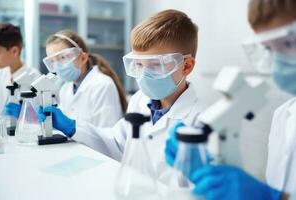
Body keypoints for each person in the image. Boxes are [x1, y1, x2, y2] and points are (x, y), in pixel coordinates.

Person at [38, 9, 205, 182]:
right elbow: (117, 143)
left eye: (155, 65)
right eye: (138, 64)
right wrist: (73, 127)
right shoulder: (140, 100)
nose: (143, 75)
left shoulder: (200, 122)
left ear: (186, 66)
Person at [165, 0, 296, 199]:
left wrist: (270, 197)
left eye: (288, 43)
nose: (277, 62)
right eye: (268, 49)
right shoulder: (285, 116)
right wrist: (206, 171)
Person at [39, 30, 127, 129]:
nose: (58, 65)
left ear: (83, 58)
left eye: (62, 57)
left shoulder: (102, 85)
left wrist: (72, 129)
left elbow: (107, 136)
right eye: (52, 61)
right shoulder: (66, 89)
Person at [0, 23, 40, 116]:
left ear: (14, 51)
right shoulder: (0, 74)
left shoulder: (35, 79)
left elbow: (40, 118)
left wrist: (24, 114)